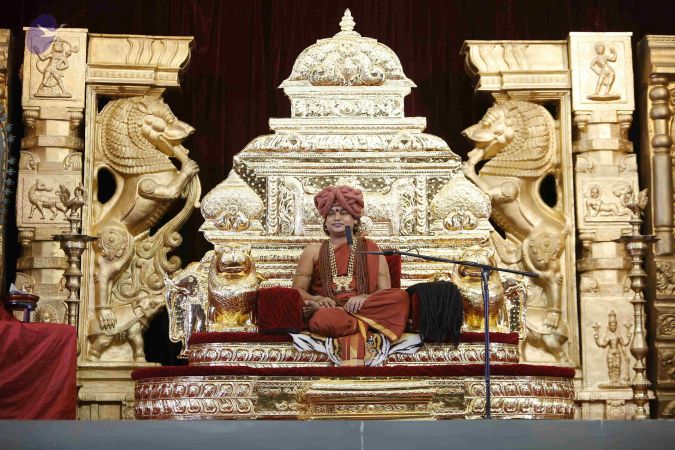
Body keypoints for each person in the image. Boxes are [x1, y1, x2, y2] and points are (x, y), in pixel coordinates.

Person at [292, 185, 409, 366]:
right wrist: (317, 299)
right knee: (320, 320)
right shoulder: (313, 251)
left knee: (400, 297)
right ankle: (365, 323)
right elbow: (297, 290)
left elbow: (385, 291)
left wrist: (364, 298)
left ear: (355, 220)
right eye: (331, 213)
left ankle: (349, 319)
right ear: (325, 221)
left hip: (364, 306)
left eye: (344, 213)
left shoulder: (371, 248)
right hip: (328, 310)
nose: (337, 218)